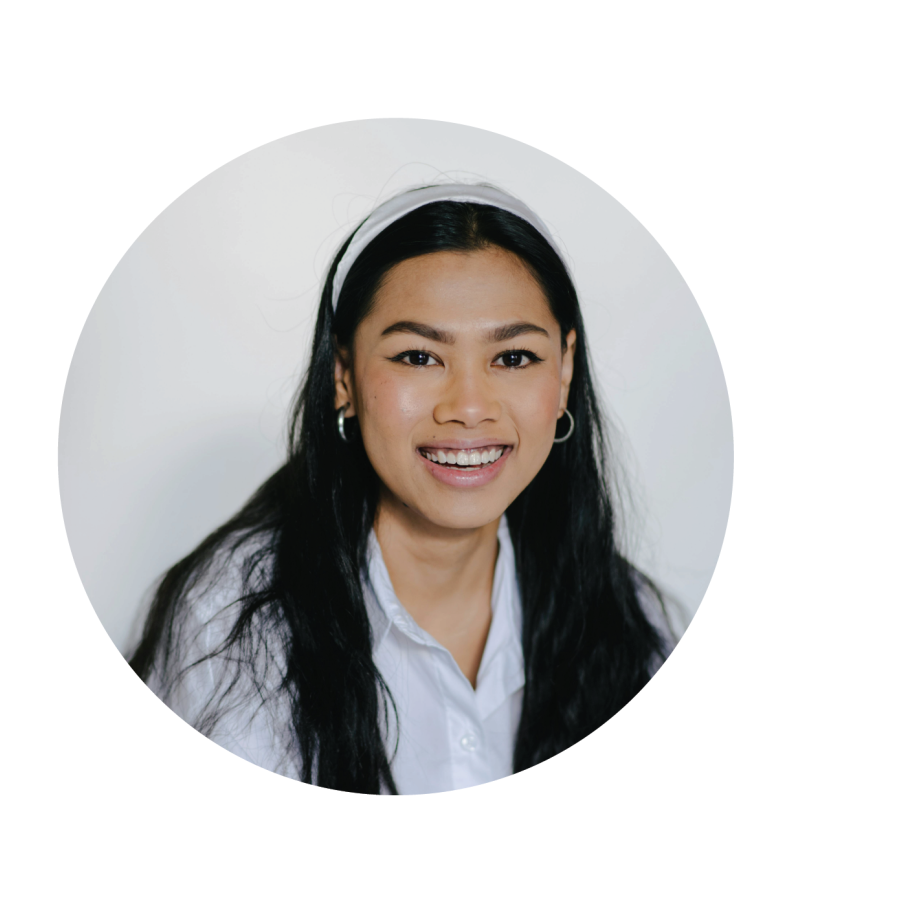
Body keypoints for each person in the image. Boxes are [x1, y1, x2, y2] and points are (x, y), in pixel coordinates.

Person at [129, 183, 676, 794]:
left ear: (566, 370)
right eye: (418, 358)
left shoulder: (626, 614)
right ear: (343, 378)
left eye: (514, 357)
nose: (469, 408)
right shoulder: (235, 623)